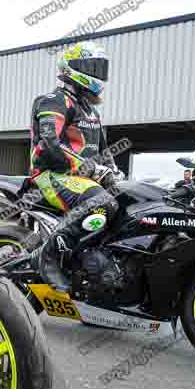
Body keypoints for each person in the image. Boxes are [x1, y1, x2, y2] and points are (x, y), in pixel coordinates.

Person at [28, 42, 122, 291]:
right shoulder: (53, 100)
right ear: (71, 70)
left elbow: (104, 151)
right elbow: (49, 144)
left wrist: (114, 171)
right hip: (51, 175)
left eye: (100, 68)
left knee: (129, 200)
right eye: (92, 67)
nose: (98, 74)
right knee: (103, 201)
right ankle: (48, 257)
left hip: (85, 179)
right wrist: (92, 169)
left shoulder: (90, 111)